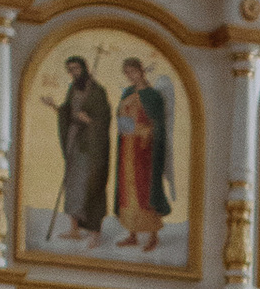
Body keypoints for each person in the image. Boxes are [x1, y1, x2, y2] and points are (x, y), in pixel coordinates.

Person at [113, 54, 172, 250]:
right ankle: (132, 233)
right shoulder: (127, 92)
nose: (130, 76)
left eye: (133, 72)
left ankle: (153, 235)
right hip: (128, 148)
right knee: (128, 190)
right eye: (127, 73)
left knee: (145, 190)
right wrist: (126, 126)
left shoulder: (153, 96)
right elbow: (121, 118)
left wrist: (143, 131)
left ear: (141, 71)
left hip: (145, 151)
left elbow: (158, 126)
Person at [53, 53, 113, 242]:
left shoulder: (97, 91)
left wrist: (88, 120)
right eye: (70, 70)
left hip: (92, 148)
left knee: (91, 184)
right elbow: (69, 112)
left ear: (84, 69)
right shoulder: (73, 89)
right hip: (75, 144)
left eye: (76, 69)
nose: (73, 73)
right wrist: (56, 107)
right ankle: (74, 229)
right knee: (73, 185)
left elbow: (104, 119)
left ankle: (95, 233)